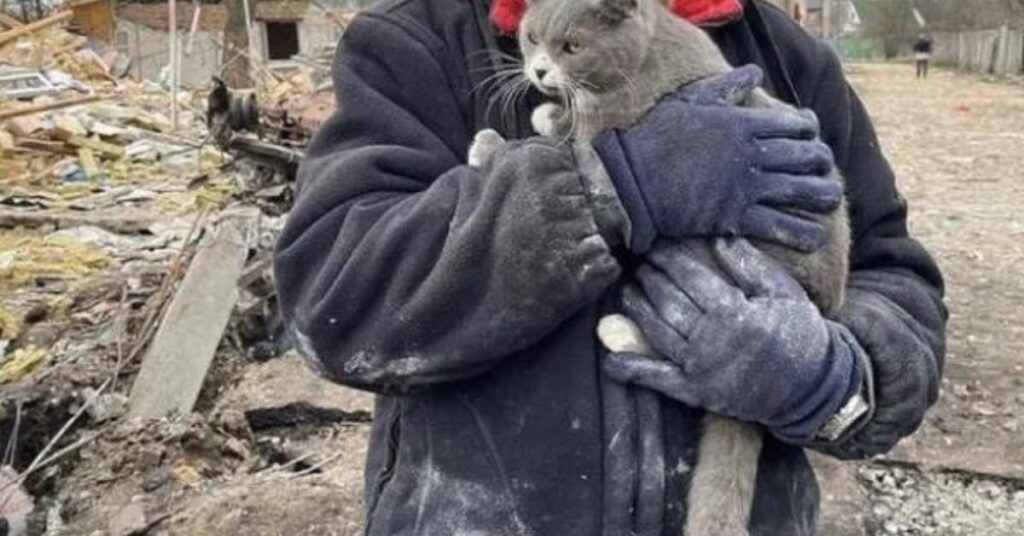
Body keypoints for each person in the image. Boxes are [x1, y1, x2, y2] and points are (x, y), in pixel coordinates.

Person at [273, 0, 947, 534]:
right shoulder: (415, 42)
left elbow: (896, 282)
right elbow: (335, 299)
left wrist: (827, 380)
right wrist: (604, 187)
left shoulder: (785, 54)